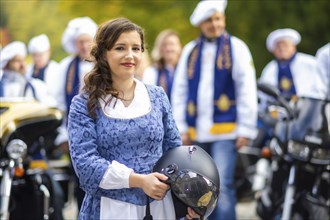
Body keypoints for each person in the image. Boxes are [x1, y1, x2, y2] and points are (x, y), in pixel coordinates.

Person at [67, 18, 199, 220]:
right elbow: (85, 165)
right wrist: (139, 181)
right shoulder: (84, 103)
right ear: (103, 53)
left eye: (136, 48)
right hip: (109, 209)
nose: (130, 55)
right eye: (120, 48)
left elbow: (174, 152)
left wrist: (187, 204)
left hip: (159, 208)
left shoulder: (157, 96)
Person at [171, 1, 258, 220]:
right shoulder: (190, 51)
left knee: (222, 184)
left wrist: (246, 128)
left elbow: (246, 88)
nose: (215, 24)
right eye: (209, 20)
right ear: (200, 24)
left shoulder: (236, 47)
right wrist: (181, 127)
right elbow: (180, 90)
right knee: (197, 187)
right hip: (196, 131)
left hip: (226, 131)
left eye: (218, 18)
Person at [55, 16, 98, 211]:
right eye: (80, 42)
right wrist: (63, 136)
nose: (84, 46)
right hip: (75, 134)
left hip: (100, 130)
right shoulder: (66, 67)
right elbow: (57, 103)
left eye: (87, 41)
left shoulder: (102, 65)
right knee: (80, 181)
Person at [259, 28, 326, 100]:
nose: (282, 49)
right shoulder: (269, 69)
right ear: (273, 50)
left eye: (285, 45)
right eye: (278, 46)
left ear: (293, 47)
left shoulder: (309, 62)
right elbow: (263, 96)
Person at [0, 41, 57, 106]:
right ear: (6, 64)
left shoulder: (37, 86)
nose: (22, 65)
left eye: (23, 60)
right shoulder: (2, 86)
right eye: (18, 61)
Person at [142, 29, 182, 102]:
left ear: (179, 47)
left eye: (172, 44)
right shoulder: (152, 72)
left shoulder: (187, 70)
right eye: (165, 45)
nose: (168, 48)